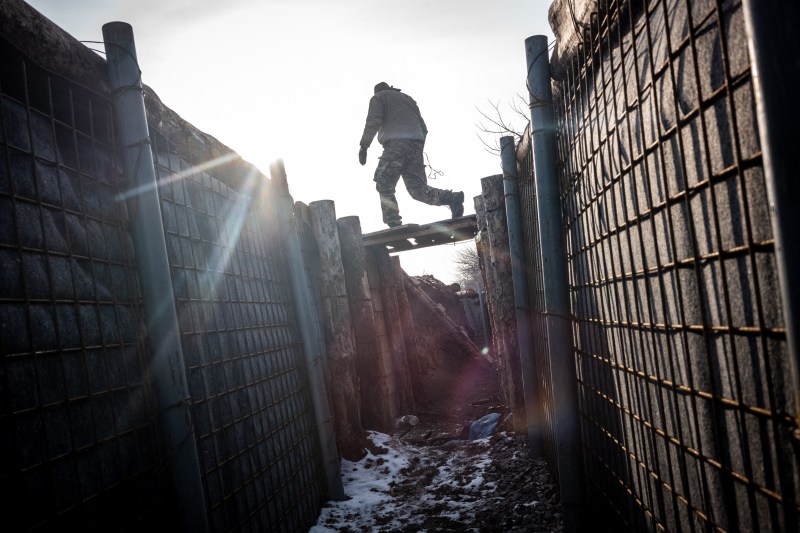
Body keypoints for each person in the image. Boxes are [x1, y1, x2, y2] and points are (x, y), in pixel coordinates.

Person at [359, 82, 464, 228]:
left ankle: (393, 221)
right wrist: (417, 146)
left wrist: (364, 146)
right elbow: (424, 128)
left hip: (396, 144)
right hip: (416, 144)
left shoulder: (379, 97)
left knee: (384, 182)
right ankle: (451, 198)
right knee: (417, 189)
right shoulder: (407, 99)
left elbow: (373, 121)